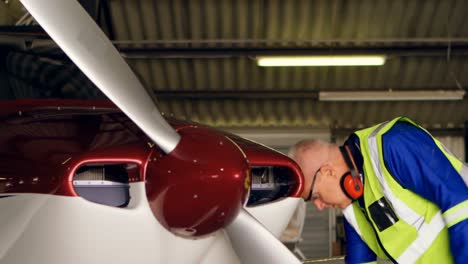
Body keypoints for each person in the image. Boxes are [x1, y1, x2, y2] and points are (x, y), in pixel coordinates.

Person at [289, 116, 468, 264]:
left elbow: (460, 206)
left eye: (316, 196)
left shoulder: (393, 145)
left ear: (328, 172)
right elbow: (360, 260)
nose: (319, 206)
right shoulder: (355, 207)